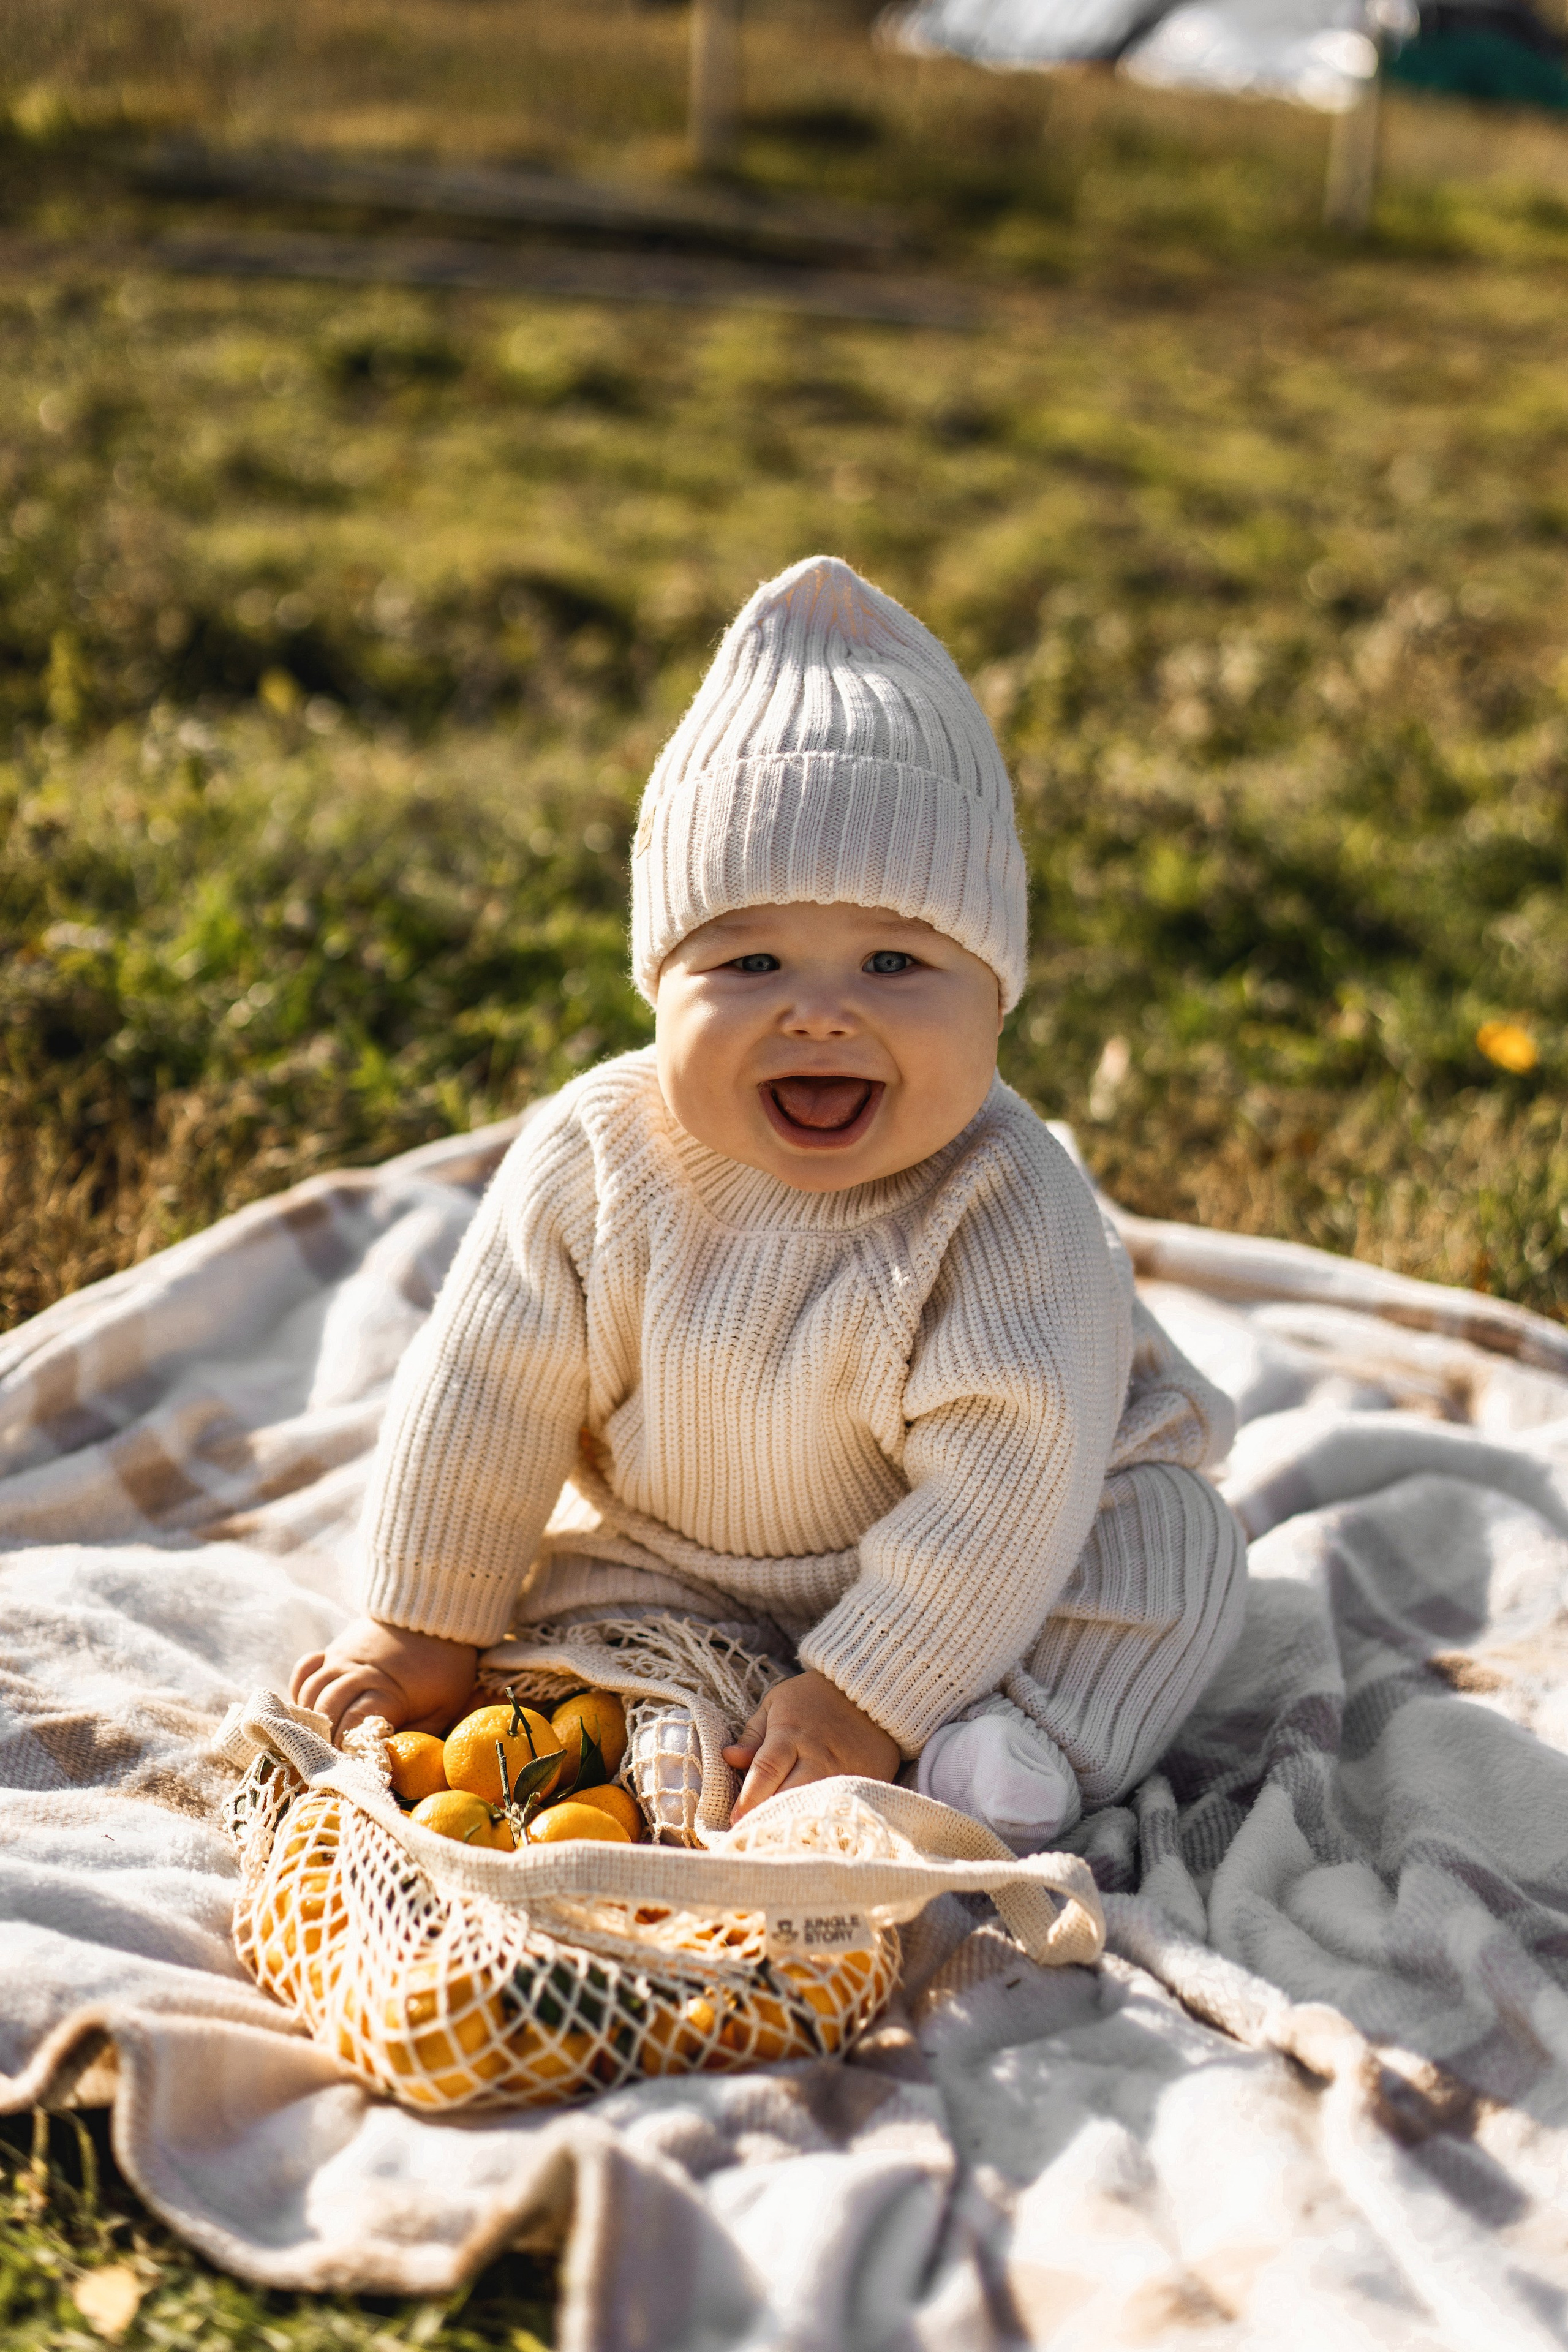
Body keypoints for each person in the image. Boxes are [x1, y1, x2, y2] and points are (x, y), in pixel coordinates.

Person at [292, 554, 1246, 1851]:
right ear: (656, 984)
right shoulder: (598, 1156)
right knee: (584, 1642)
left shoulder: (1006, 1199)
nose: (820, 1009)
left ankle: (1008, 1741)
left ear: (998, 996)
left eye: (895, 961)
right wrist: (423, 1621)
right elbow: (484, 1389)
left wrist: (863, 1692)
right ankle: (682, 1711)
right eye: (749, 959)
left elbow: (1005, 1481)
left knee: (1173, 1560)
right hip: (677, 1548)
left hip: (1022, 1548)